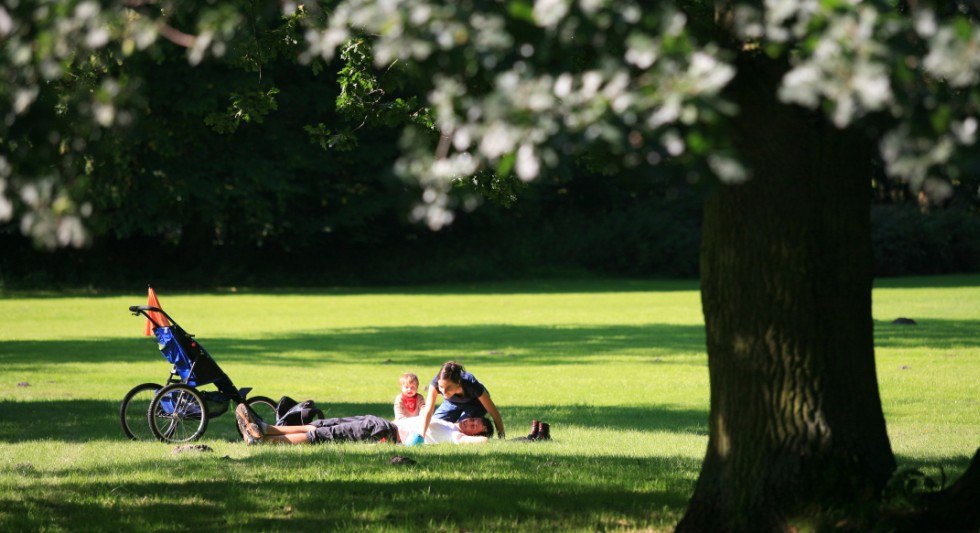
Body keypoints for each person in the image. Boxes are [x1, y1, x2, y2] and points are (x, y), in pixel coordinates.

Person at [235, 403, 492, 445]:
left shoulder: (459, 438)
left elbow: (484, 441)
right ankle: (265, 429)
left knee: (328, 435)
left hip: (386, 433)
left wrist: (488, 435)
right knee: (325, 424)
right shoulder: (448, 422)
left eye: (476, 425)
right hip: (385, 423)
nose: (471, 423)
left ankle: (266, 442)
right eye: (472, 419)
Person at [418, 361, 505, 440]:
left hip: (475, 404)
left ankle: (473, 441)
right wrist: (421, 435)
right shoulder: (435, 383)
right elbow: (428, 411)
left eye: (448, 387)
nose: (443, 392)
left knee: (465, 427)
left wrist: (502, 438)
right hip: (452, 402)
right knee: (434, 424)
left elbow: (494, 413)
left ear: (458, 382)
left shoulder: (472, 384)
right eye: (441, 387)